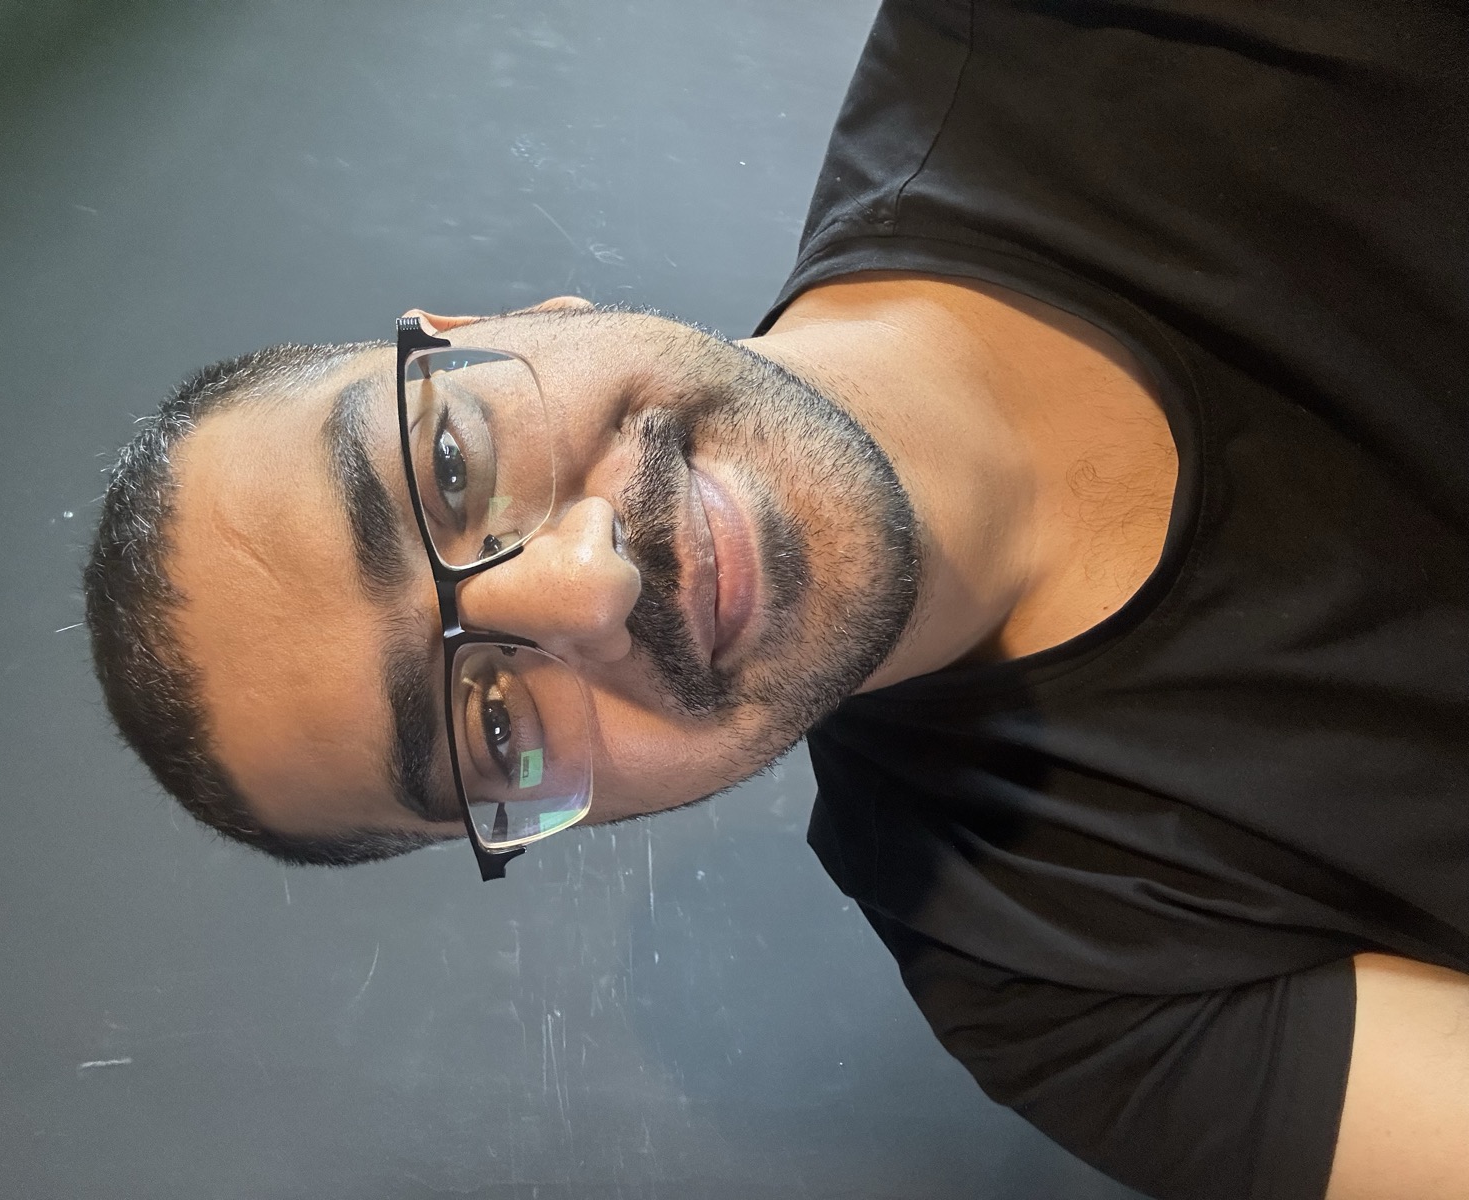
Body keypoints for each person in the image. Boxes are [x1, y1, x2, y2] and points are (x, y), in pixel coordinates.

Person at [83, 1, 1469, 1197]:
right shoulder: (1064, 985)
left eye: (451, 467)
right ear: (558, 819)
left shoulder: (1087, 39)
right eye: (492, 721)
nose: (584, 583)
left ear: (507, 321)